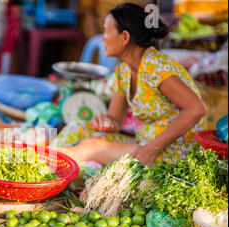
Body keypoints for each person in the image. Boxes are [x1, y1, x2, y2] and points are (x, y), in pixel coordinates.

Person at [53, 3, 207, 166]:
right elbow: (115, 120)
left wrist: (151, 149)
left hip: (173, 153)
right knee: (78, 127)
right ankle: (49, 157)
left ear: (125, 37)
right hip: (146, 144)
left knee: (91, 147)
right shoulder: (124, 70)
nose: (103, 38)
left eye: (106, 31)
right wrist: (105, 121)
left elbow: (197, 109)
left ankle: (44, 163)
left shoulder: (154, 66)